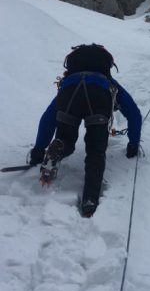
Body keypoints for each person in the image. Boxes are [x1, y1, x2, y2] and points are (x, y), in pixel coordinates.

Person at [29, 44, 142, 218]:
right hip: (98, 97)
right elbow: (134, 113)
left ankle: (60, 148)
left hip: (70, 95)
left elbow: (48, 118)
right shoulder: (108, 82)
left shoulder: (68, 82)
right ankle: (89, 200)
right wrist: (133, 144)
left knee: (65, 138)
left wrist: (38, 150)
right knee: (96, 150)